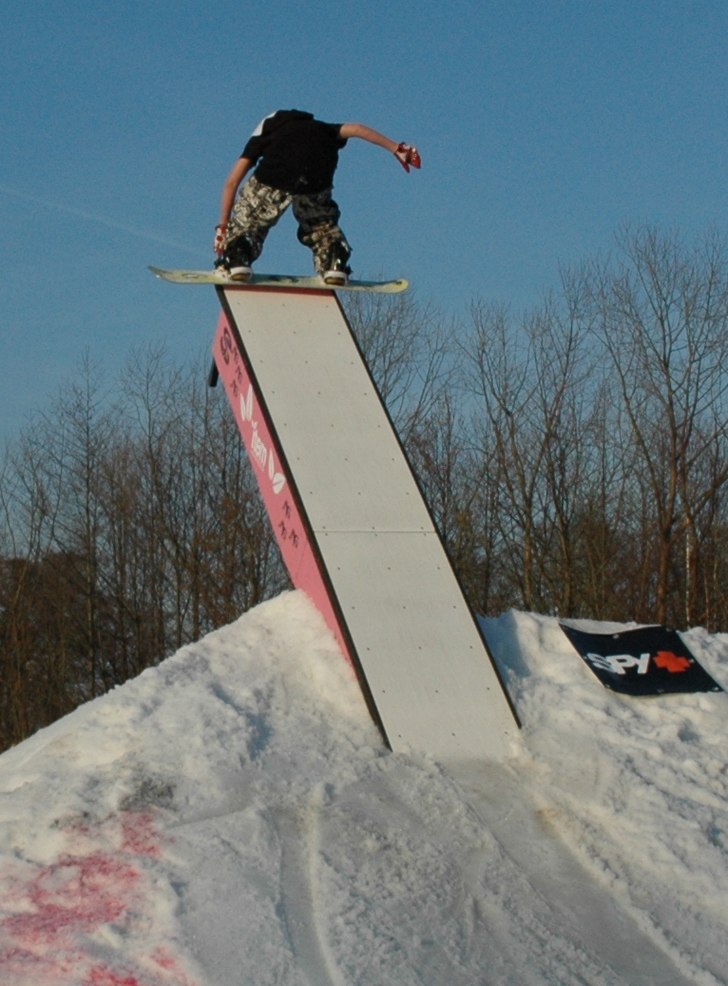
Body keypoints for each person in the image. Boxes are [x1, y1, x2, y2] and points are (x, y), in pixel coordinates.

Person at [214, 109, 421, 285]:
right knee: (319, 221)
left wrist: (223, 227)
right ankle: (333, 258)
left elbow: (232, 182)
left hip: (278, 172)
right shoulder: (323, 128)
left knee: (252, 214)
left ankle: (239, 252)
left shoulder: (268, 128)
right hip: (318, 172)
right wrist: (397, 148)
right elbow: (357, 129)